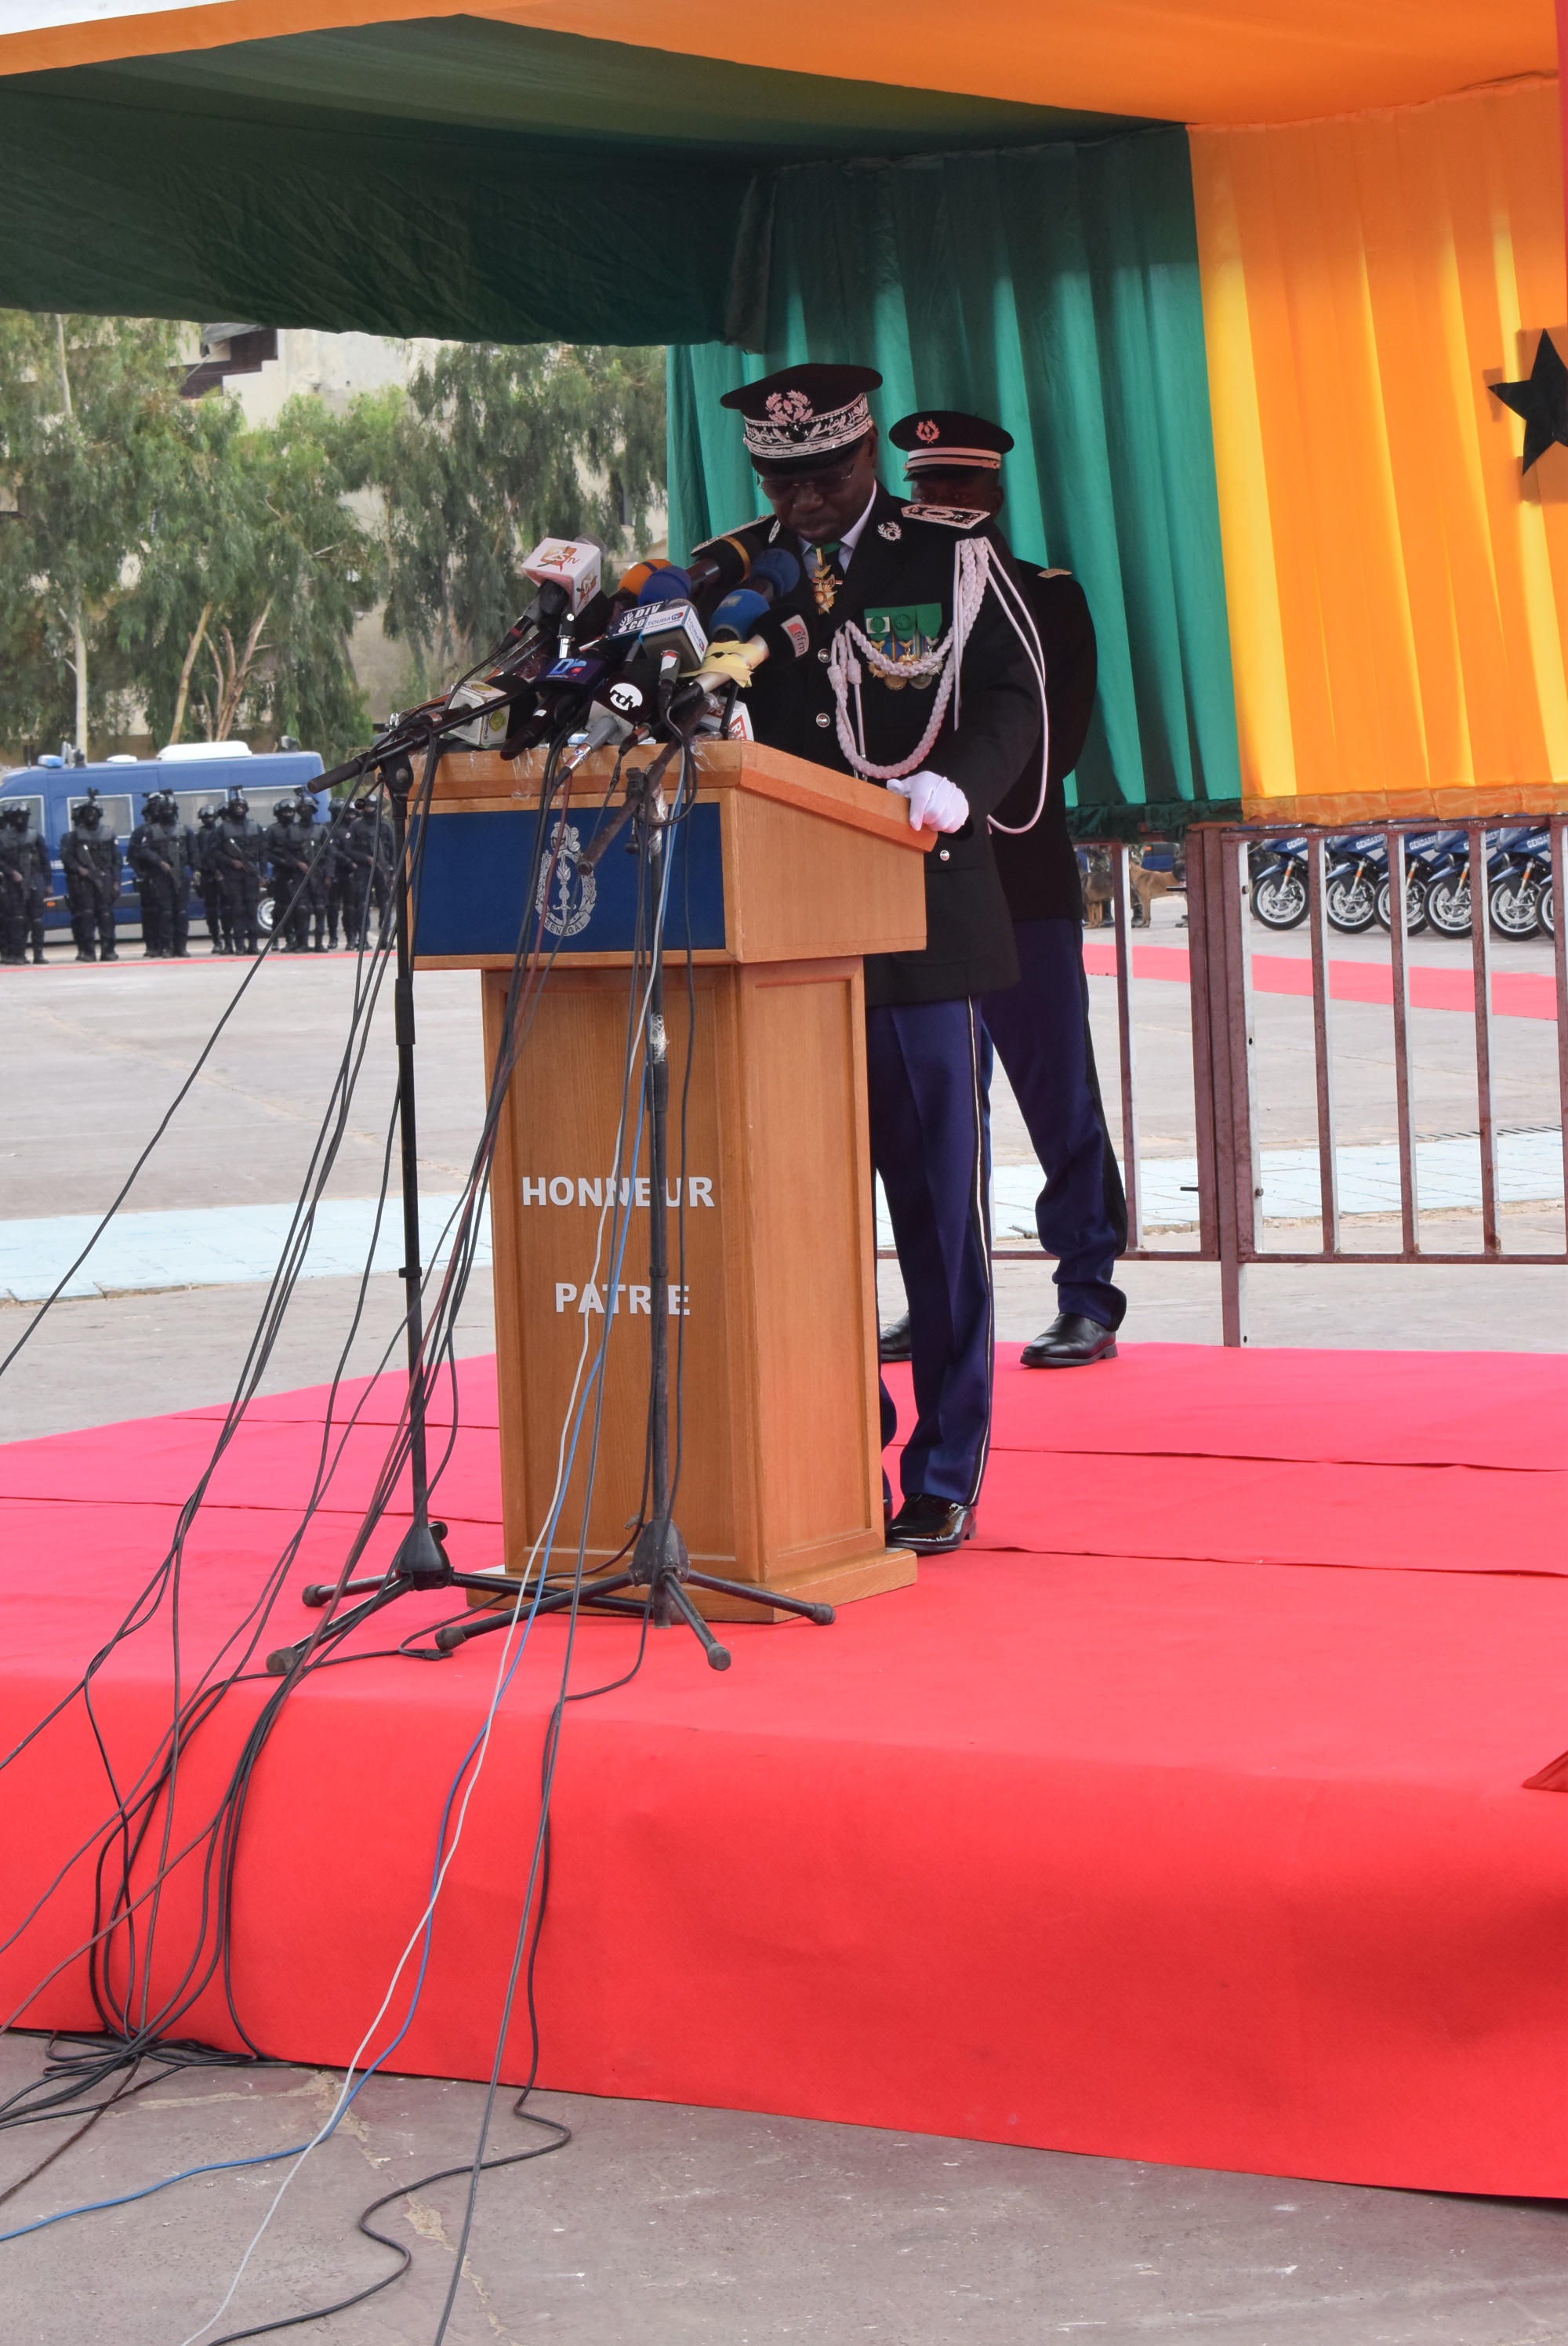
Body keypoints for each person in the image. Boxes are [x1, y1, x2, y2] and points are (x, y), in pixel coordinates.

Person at [691, 363, 1042, 1553]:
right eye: (779, 478)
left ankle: (944, 1466)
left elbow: (1012, 701)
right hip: (781, 939)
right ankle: (834, 1446)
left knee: (937, 1215)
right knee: (799, 1222)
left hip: (919, 925)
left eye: (823, 475)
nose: (799, 498)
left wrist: (964, 786)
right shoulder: (733, 574)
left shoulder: (943, 554)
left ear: (865, 463)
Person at [881, 408, 1127, 1367]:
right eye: (924, 488)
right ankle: (940, 1296)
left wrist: (945, 781)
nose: (937, 502)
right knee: (934, 1107)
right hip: (909, 885)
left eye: (956, 489)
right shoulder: (889, 602)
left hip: (1015, 873)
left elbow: (1051, 745)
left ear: (991, 498)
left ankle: (1086, 1292)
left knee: (1055, 1092)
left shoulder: (1043, 600)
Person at [128, 789, 190, 959]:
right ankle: (154, 946)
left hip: (175, 875)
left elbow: (192, 853)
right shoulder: (143, 831)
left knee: (178, 912)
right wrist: (143, 874)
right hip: (152, 878)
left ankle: (177, 946)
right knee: (153, 913)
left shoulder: (180, 829)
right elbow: (135, 854)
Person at [59, 790, 121, 961]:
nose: (90, 816)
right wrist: (80, 869)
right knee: (87, 914)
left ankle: (108, 950)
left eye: (93, 812)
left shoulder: (108, 833)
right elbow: (66, 856)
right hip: (85, 880)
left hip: (105, 877)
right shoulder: (76, 835)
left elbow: (117, 860)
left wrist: (116, 882)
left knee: (106, 914)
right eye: (87, 813)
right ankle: (88, 951)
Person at [212, 794, 263, 954]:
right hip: (233, 874)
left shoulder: (255, 826)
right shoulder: (223, 829)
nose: (239, 809)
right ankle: (239, 945)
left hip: (251, 873)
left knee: (251, 909)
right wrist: (231, 862)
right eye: (235, 807)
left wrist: (262, 874)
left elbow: (264, 851)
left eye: (241, 806)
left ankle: (253, 944)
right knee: (237, 910)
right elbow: (215, 851)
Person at [263, 797, 312, 952]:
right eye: (285, 812)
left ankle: (298, 940)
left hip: (298, 872)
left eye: (291, 812)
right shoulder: (273, 830)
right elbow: (267, 853)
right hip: (281, 872)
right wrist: (282, 862)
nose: (288, 814)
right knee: (281, 908)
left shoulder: (297, 828)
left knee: (299, 908)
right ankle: (284, 938)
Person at [0, 804, 30, 963]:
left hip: (20, 880)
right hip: (7, 881)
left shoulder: (25, 836)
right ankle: (8, 952)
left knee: (21, 919)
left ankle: (17, 953)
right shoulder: (4, 837)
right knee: (8, 919)